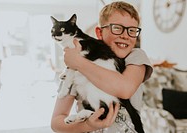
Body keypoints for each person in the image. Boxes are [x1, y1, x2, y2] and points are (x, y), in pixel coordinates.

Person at [51, 1, 153, 133]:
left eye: (132, 30)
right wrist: (87, 126)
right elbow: (56, 123)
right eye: (117, 28)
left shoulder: (136, 56)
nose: (125, 35)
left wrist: (78, 62)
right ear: (99, 32)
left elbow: (125, 90)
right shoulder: (73, 67)